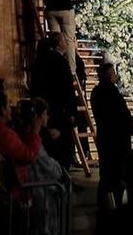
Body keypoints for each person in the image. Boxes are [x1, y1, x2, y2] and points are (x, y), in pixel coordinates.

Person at [30, 30, 82, 169]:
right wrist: (72, 113)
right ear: (59, 44)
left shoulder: (39, 62)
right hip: (60, 113)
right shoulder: (61, 62)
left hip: (45, 110)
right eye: (64, 41)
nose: (67, 44)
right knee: (62, 151)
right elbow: (67, 91)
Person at [92, 59, 133, 211]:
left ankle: (104, 206)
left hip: (105, 137)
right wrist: (130, 127)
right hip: (117, 140)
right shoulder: (111, 92)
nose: (116, 76)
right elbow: (120, 115)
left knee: (106, 175)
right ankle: (115, 207)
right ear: (109, 75)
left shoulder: (96, 92)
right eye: (114, 73)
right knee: (117, 176)